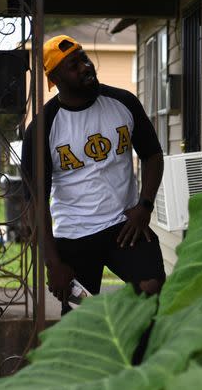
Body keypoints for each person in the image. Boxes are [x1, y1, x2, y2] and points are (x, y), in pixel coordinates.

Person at [21, 35, 166, 314]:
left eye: (84, 59)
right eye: (73, 65)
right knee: (80, 318)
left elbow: (152, 155)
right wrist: (54, 264)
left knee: (151, 289)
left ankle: (137, 357)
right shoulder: (43, 128)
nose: (85, 67)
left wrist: (144, 206)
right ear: (55, 78)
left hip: (124, 225)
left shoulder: (123, 102)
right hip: (75, 233)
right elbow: (34, 201)